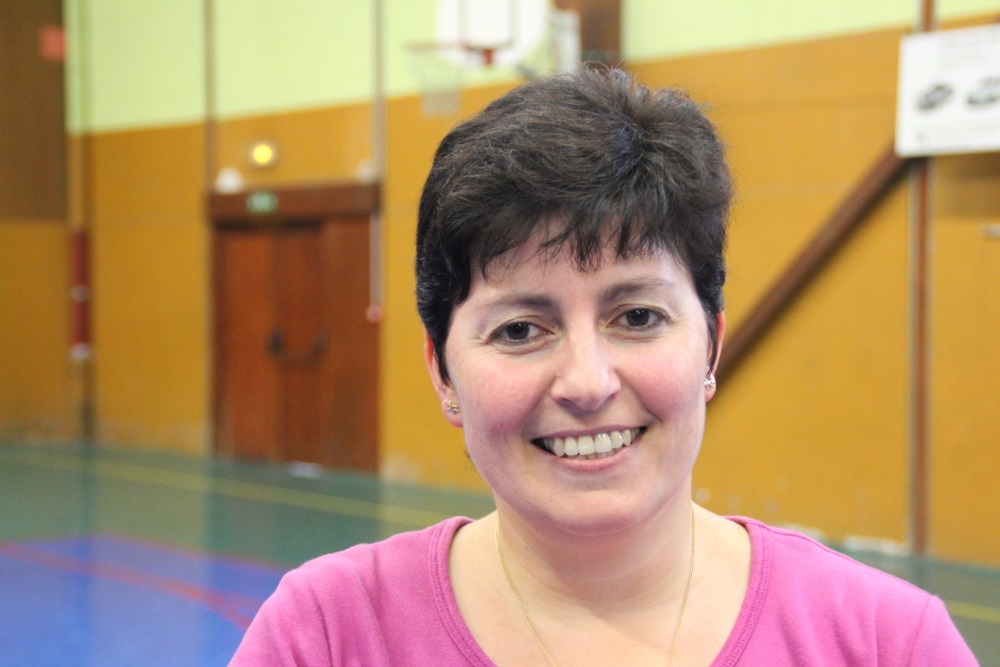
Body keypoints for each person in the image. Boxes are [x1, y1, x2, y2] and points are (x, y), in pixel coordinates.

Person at [230, 67, 977, 666]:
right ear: (443, 374)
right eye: (520, 329)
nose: (587, 383)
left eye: (638, 317)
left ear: (711, 345)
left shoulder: (886, 641)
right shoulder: (324, 634)